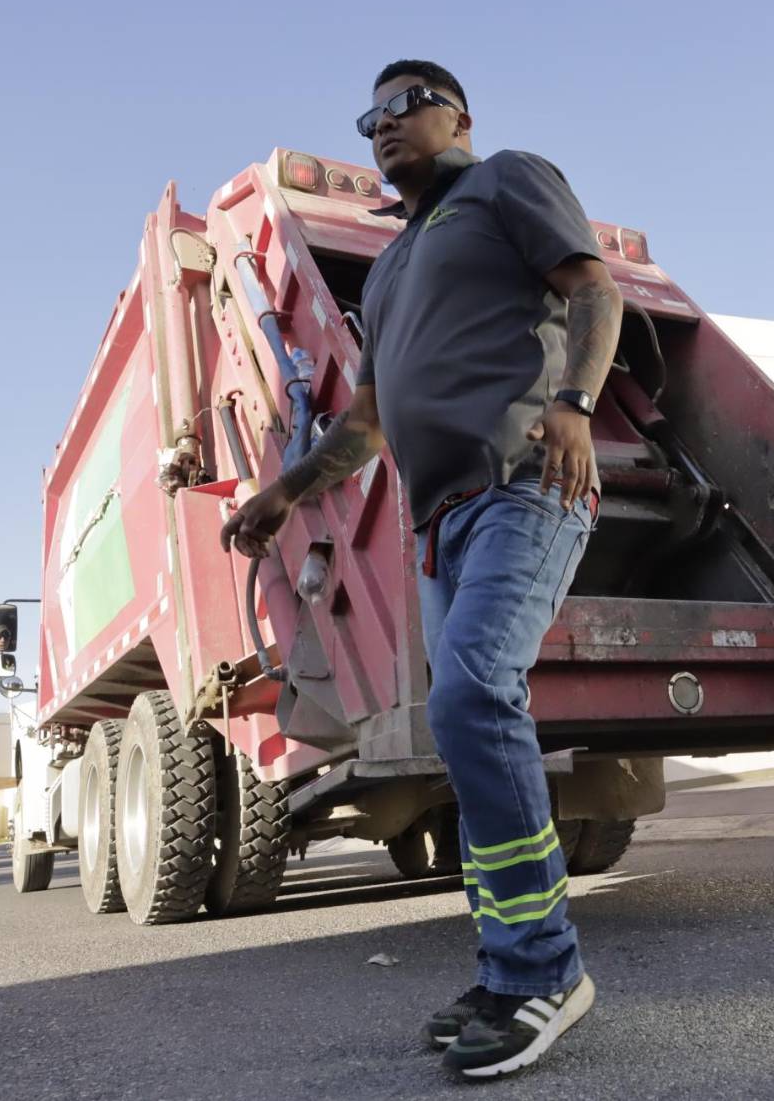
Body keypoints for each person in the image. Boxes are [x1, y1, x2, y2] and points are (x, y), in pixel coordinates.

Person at [222, 59, 620, 1080]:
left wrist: (573, 404)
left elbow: (592, 289)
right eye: (370, 114)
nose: (385, 123)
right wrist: (281, 494)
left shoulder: (506, 183)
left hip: (524, 482)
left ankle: (541, 972)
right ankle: (505, 967)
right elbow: (362, 427)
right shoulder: (393, 270)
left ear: (459, 117)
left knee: (475, 697)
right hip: (440, 526)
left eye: (406, 102)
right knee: (461, 722)